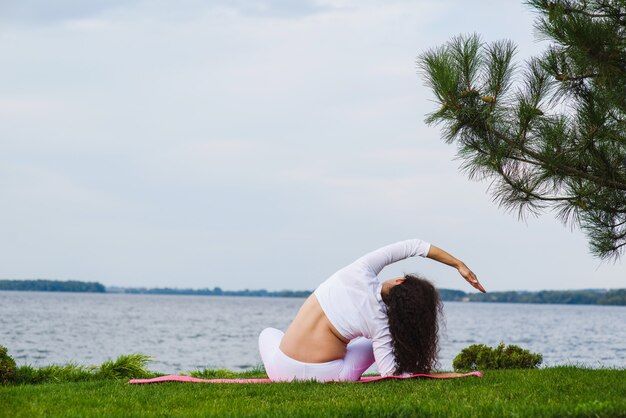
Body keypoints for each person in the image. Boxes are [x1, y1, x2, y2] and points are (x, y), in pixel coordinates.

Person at [258, 238, 486, 382]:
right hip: (329, 376)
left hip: (279, 369)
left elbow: (416, 245)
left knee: (267, 333)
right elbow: (389, 373)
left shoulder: (359, 270)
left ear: (398, 281)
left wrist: (460, 265)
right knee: (368, 343)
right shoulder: (381, 325)